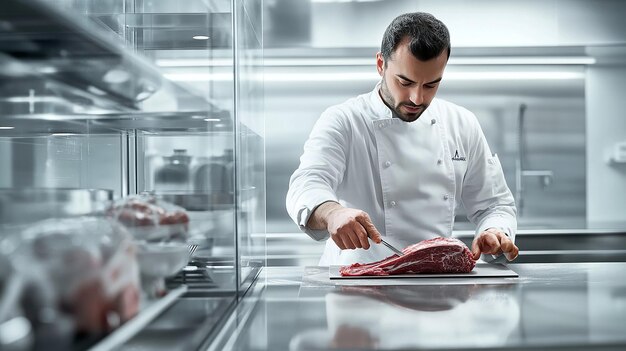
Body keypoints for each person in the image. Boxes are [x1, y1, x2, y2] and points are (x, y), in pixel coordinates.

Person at [286, 12, 519, 266]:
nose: (417, 98)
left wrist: (495, 230)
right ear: (380, 65)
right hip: (358, 282)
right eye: (405, 82)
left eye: (431, 85)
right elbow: (306, 184)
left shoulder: (461, 123)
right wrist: (333, 213)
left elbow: (494, 204)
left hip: (435, 279)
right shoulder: (344, 120)